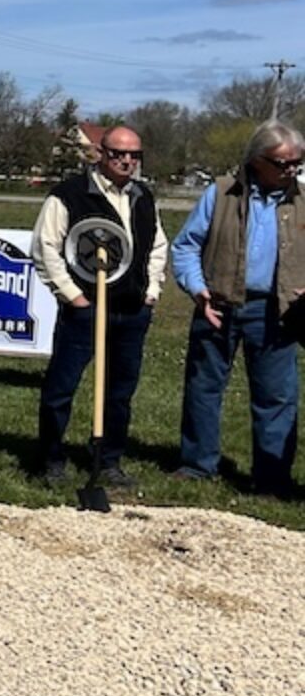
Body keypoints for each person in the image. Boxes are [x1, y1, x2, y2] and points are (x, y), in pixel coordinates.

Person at [169, 119, 305, 495]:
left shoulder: (302, 201)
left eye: (297, 162)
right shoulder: (221, 194)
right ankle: (198, 465)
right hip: (219, 304)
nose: (291, 170)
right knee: (204, 386)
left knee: (277, 396)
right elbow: (185, 246)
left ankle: (272, 478)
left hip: (279, 311)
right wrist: (198, 290)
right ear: (257, 160)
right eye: (282, 163)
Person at [29, 124, 169, 486]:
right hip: (86, 309)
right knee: (61, 388)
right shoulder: (70, 195)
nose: (126, 161)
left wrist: (151, 291)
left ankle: (108, 461)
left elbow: (157, 246)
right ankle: (50, 461)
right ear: (100, 154)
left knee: (120, 393)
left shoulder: (142, 196)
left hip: (132, 311)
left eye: (134, 155)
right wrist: (73, 297)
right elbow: (46, 248)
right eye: (118, 153)